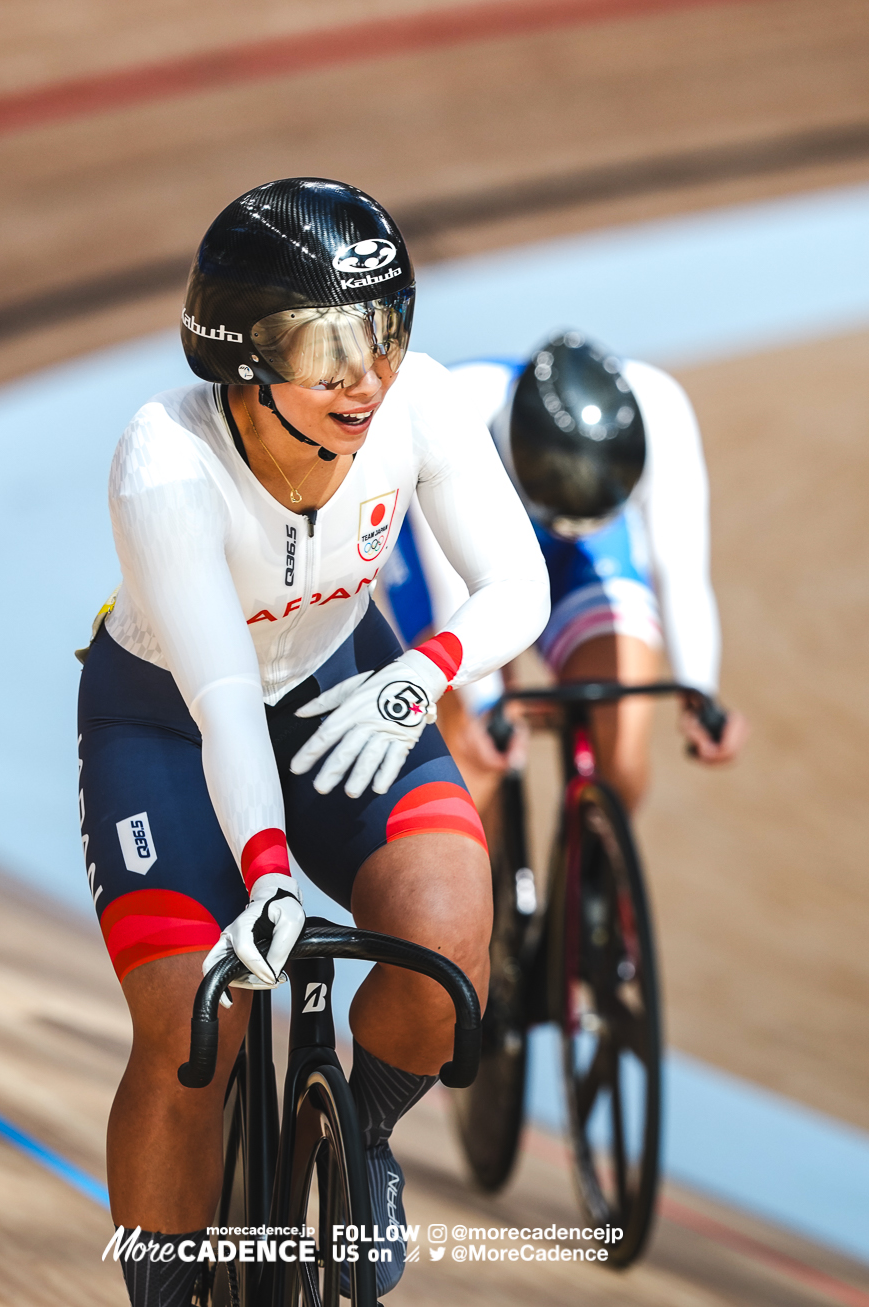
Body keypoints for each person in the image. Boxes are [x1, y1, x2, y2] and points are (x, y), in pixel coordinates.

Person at [77, 177, 548, 1305]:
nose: (367, 373)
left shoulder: (420, 405)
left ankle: (366, 1129)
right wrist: (270, 872)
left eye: (385, 329)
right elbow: (225, 698)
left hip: (347, 683)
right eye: (327, 345)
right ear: (243, 359)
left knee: (446, 946)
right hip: (171, 714)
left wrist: (416, 679)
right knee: (200, 1024)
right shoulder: (165, 461)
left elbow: (517, 584)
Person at [380, 332, 747, 816]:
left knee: (622, 744)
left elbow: (680, 575)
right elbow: (450, 588)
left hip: (581, 551)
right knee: (475, 761)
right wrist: (484, 705)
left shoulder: (659, 406)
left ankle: (596, 872)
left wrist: (700, 692)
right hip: (456, 546)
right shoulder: (452, 408)